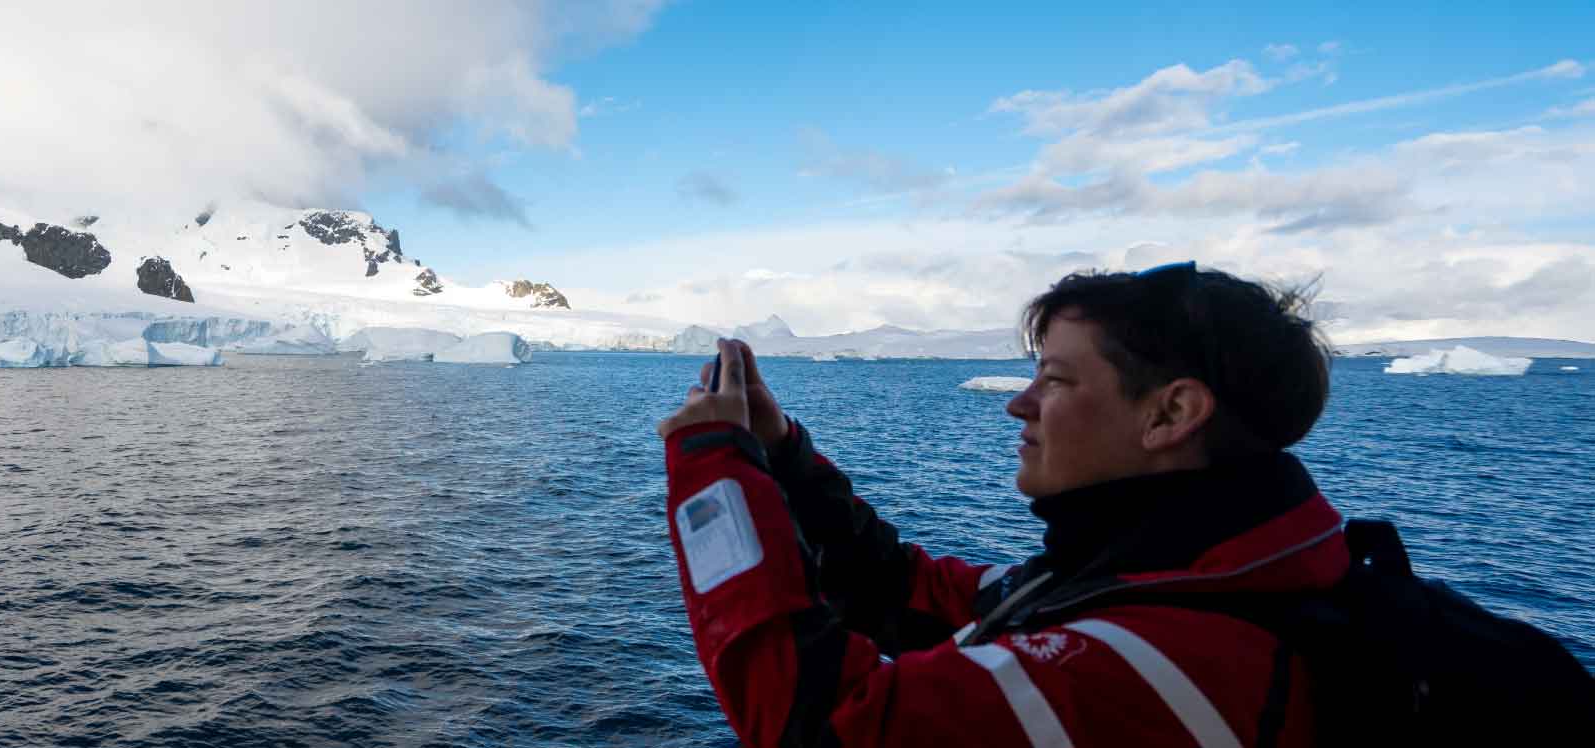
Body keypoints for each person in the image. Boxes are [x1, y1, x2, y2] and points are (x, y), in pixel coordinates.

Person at [654, 263, 1592, 747]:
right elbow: (910, 593)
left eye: (1055, 380)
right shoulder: (1198, 579)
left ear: (1172, 413)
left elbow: (817, 721)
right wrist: (780, 459)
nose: (1021, 404)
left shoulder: (1171, 655)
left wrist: (710, 463)